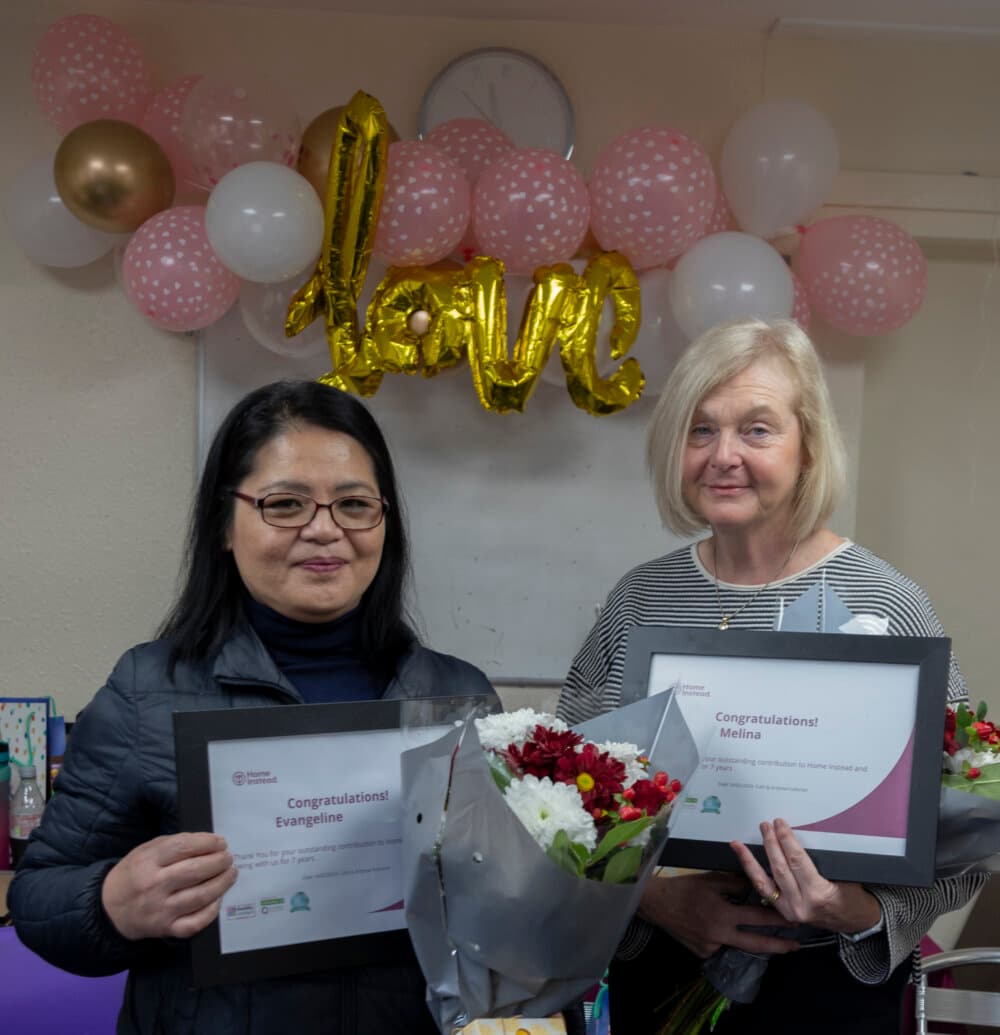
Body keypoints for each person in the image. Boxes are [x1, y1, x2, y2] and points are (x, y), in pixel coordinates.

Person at [9, 379, 498, 1034]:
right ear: (223, 524)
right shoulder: (146, 689)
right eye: (285, 503)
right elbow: (37, 896)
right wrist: (112, 902)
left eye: (354, 503)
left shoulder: (456, 699)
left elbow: (500, 910)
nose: (324, 529)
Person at [556, 318, 987, 1034]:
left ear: (808, 445)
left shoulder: (885, 601)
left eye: (756, 429)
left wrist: (865, 911)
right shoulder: (641, 599)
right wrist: (652, 898)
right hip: (661, 970)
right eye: (701, 430)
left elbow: (965, 818)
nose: (723, 455)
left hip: (826, 986)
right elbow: (562, 793)